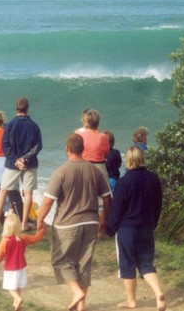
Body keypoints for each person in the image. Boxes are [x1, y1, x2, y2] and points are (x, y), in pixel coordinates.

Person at [36, 133, 112, 311]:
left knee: (61, 261)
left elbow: (48, 201)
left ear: (66, 149)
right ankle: (81, 306)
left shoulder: (61, 172)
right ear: (83, 149)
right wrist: (104, 220)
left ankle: (77, 292)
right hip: (91, 222)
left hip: (67, 224)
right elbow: (107, 198)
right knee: (83, 263)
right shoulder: (94, 170)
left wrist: (40, 220)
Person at [107, 146, 166, 310]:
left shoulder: (124, 181)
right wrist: (154, 222)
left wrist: (110, 229)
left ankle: (131, 301)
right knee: (146, 264)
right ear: (142, 158)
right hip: (146, 227)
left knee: (127, 265)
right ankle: (158, 292)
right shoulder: (153, 178)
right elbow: (158, 203)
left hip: (127, 229)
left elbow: (117, 209)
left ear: (128, 161)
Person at [0, 98, 42, 232]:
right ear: (27, 108)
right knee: (28, 192)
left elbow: (5, 145)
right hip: (29, 163)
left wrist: (16, 160)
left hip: (12, 163)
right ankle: (24, 223)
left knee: (4, 190)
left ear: (16, 108)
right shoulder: (34, 125)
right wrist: (24, 159)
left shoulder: (10, 125)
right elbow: (38, 146)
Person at [0, 212, 45, 311]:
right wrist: (41, 231)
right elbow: (35, 239)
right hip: (22, 266)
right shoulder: (23, 237)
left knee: (9, 286)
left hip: (10, 268)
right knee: (18, 285)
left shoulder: (5, 240)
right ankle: (17, 306)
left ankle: (17, 299)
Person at [76, 109, 111, 222]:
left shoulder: (78, 134)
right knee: (101, 199)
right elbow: (107, 152)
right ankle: (101, 229)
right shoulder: (103, 137)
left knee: (82, 196)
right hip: (99, 167)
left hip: (82, 166)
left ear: (85, 121)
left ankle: (82, 222)